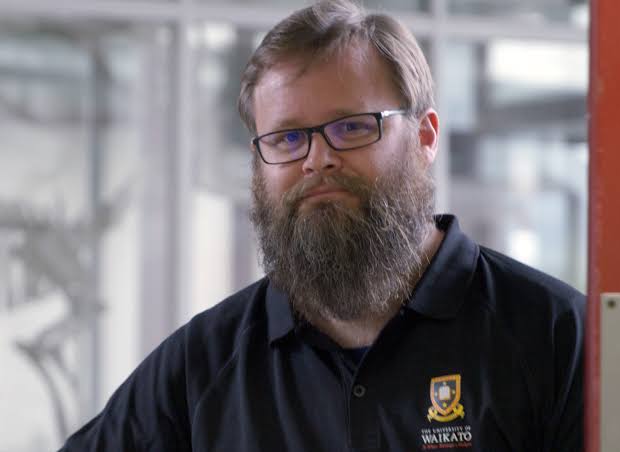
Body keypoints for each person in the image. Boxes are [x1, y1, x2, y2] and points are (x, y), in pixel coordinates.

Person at [60, 1, 585, 451]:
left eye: (352, 127)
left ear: (425, 137)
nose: (317, 159)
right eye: (286, 139)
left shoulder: (556, 337)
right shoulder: (200, 369)